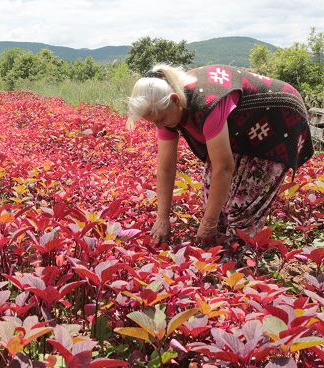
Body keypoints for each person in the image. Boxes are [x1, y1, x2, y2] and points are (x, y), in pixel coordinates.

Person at [126, 64, 314, 255]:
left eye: (162, 119)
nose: (159, 125)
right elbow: (166, 169)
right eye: (154, 122)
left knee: (243, 203)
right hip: (241, 126)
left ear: (175, 101)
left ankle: (237, 256)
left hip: (280, 117)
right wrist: (162, 218)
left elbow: (223, 168)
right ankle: (220, 249)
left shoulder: (206, 102)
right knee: (213, 196)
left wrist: (208, 223)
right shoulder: (166, 107)